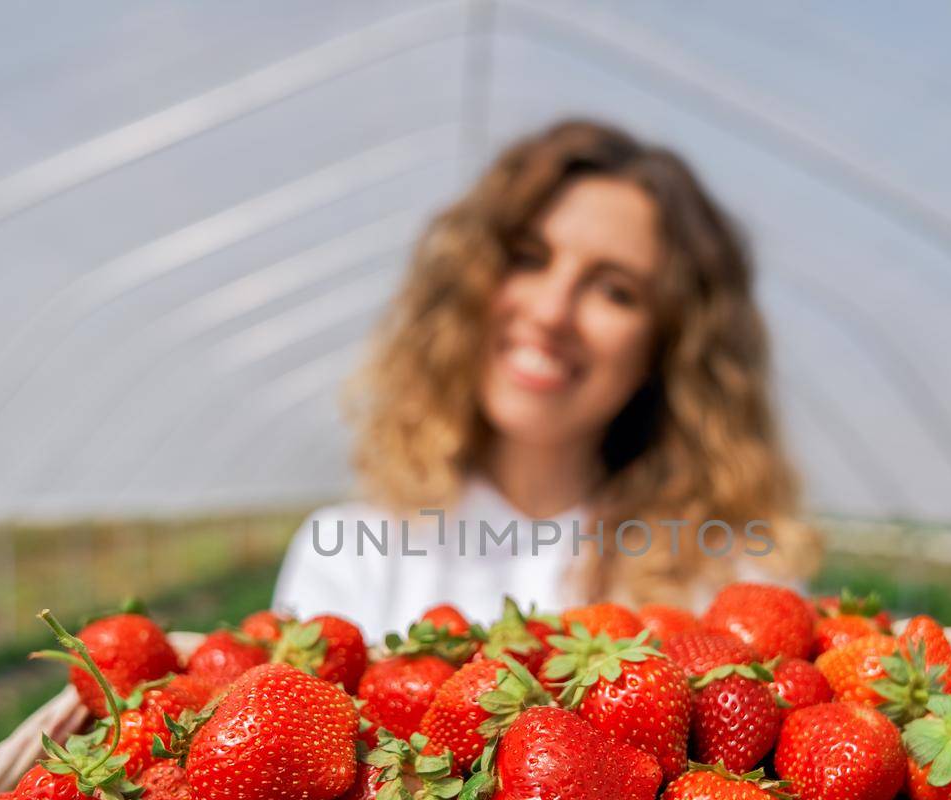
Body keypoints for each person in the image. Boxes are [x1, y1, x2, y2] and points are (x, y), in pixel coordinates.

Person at [274, 119, 815, 640]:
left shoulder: (732, 579)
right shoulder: (352, 551)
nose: (553, 312)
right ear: (468, 282)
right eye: (530, 259)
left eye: (615, 291)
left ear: (669, 346)